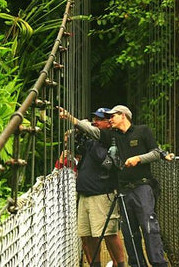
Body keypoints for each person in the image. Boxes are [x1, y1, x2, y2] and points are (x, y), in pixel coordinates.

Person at [60, 105, 168, 267]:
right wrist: (71, 118)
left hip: (142, 187)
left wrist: (138, 158)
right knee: (129, 233)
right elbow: (94, 132)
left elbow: (156, 152)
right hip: (124, 190)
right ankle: (137, 264)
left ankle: (159, 264)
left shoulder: (143, 131)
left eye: (113, 116)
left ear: (123, 115)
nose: (110, 119)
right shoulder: (112, 136)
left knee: (149, 227)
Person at [74, 108, 125, 267]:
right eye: (94, 118)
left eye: (99, 119)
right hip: (85, 194)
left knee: (109, 233)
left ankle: (120, 265)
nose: (95, 122)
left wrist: (91, 142)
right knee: (87, 236)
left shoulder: (111, 139)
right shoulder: (90, 141)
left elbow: (108, 164)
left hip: (102, 194)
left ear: (108, 123)